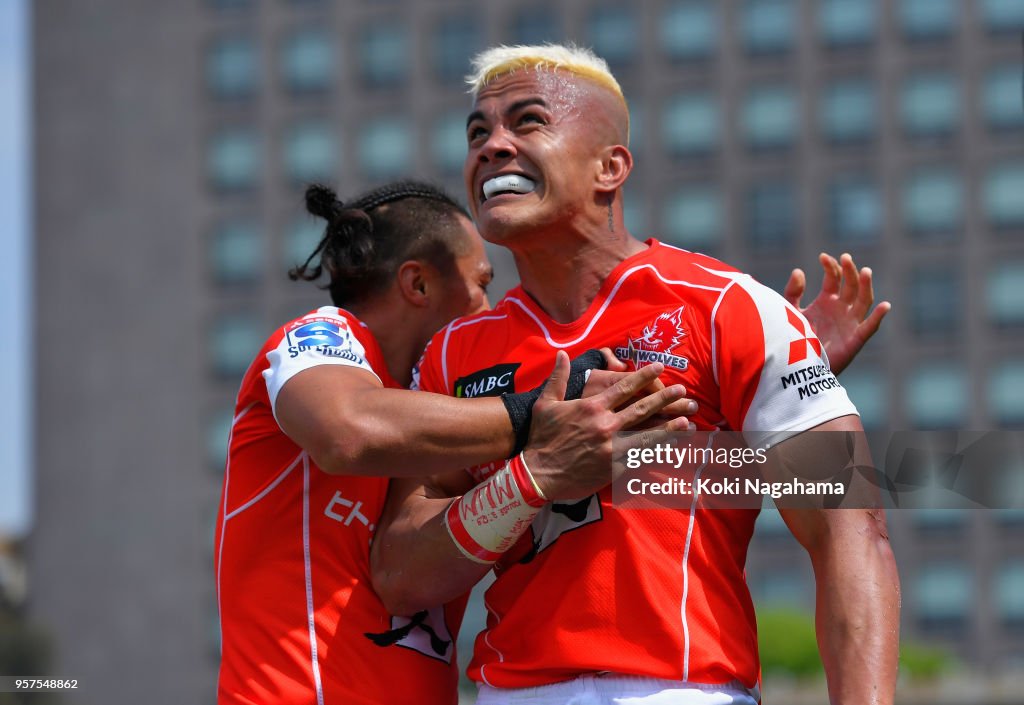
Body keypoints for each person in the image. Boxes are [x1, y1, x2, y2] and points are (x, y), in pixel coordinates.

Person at [370, 44, 899, 705]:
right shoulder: (451, 354)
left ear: (610, 167)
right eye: (477, 133)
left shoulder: (730, 306)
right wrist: (533, 477)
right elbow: (401, 576)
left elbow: (852, 529)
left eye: (527, 121)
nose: (492, 146)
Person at [214, 180, 692, 705]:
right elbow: (346, 432)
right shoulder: (320, 336)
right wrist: (536, 413)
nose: (490, 307)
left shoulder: (439, 410)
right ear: (418, 284)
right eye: (481, 282)